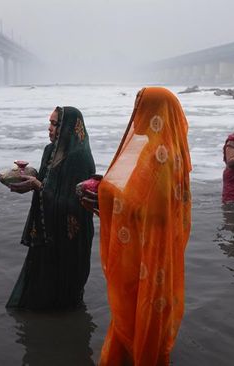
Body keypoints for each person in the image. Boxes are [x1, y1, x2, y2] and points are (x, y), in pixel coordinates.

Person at [81, 87, 192, 365]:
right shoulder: (167, 149)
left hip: (146, 249)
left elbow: (149, 207)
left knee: (137, 307)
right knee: (146, 307)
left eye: (140, 107)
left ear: (154, 113)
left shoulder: (157, 153)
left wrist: (104, 198)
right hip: (154, 248)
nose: (135, 115)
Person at [6, 106, 96, 310]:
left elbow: (76, 203)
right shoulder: (49, 151)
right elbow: (47, 184)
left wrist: (38, 186)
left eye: (55, 124)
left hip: (70, 239)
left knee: (65, 300)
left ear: (69, 128)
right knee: (40, 294)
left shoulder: (80, 159)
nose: (49, 128)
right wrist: (26, 179)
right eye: (50, 123)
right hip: (46, 233)